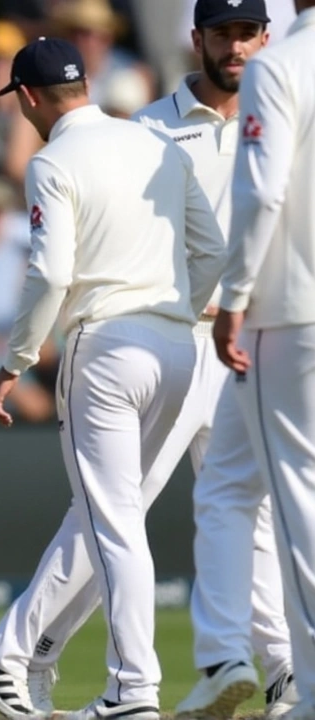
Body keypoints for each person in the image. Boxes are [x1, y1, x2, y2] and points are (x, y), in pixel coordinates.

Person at [0, 4, 296, 719]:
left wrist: (16, 358)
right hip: (185, 340)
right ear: (196, 38)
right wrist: (187, 305)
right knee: (133, 513)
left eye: (246, 33)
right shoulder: (150, 133)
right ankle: (28, 652)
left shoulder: (284, 101)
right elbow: (200, 246)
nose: (234, 46)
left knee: (153, 517)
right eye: (222, 33)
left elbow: (51, 272)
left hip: (181, 339)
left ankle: (230, 676)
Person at [213, 2, 315, 719]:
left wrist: (234, 296)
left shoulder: (279, 64)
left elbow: (263, 188)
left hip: (292, 308)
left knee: (299, 507)